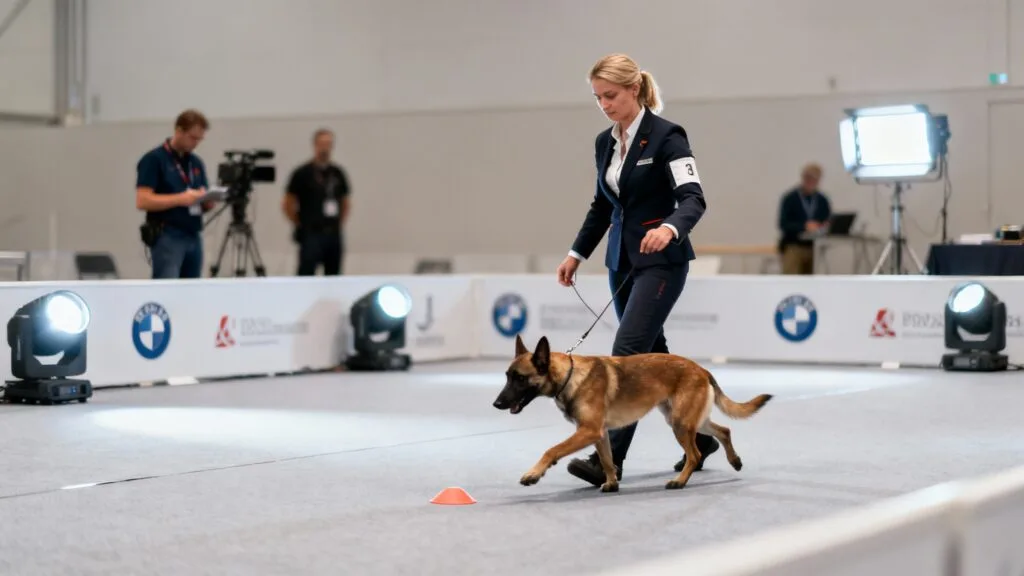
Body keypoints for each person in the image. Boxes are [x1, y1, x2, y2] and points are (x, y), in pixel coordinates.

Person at [555, 53, 719, 487]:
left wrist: (670, 228)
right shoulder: (603, 143)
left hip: (663, 262)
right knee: (656, 359)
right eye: (597, 98)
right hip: (621, 263)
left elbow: (693, 199)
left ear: (633, 90)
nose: (604, 104)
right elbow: (601, 206)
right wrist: (577, 253)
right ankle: (700, 441)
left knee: (626, 358)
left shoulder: (668, 136)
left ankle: (608, 461)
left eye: (610, 95)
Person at [136, 109, 213, 279]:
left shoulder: (196, 162)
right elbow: (143, 200)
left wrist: (207, 201)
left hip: (193, 233)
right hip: (168, 234)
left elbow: (201, 194)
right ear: (179, 131)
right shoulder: (154, 160)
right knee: (168, 288)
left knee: (192, 290)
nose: (195, 143)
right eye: (192, 138)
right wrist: (180, 199)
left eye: (199, 139)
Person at [282, 128, 351, 276]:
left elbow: (345, 202)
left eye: (328, 144)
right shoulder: (302, 173)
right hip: (311, 232)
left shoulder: (337, 173)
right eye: (322, 144)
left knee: (333, 273)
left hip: (333, 232)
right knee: (307, 272)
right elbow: (288, 202)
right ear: (315, 145)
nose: (325, 148)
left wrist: (339, 222)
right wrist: (298, 222)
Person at [777, 163, 832, 274]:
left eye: (815, 179)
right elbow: (783, 224)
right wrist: (804, 226)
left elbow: (827, 220)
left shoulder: (822, 200)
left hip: (814, 247)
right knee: (791, 279)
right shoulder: (790, 198)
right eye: (809, 178)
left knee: (810, 282)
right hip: (794, 246)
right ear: (803, 177)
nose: (811, 182)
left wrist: (823, 226)